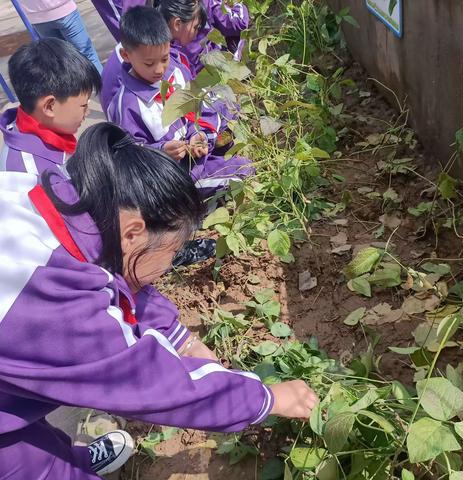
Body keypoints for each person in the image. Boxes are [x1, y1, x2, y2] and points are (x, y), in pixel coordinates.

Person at [0, 122, 319, 479]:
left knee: (26, 432)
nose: (170, 263)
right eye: (173, 250)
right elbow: (154, 385)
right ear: (134, 231)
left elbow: (119, 274)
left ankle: (65, 459)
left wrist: (183, 338)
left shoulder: (57, 193)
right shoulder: (54, 306)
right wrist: (268, 398)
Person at [106, 6, 251, 196]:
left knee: (224, 100)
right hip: (178, 173)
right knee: (243, 170)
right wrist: (162, 151)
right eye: (149, 64)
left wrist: (197, 134)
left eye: (164, 58)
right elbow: (129, 157)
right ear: (126, 55)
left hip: (194, 149)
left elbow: (194, 108)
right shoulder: (126, 106)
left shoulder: (175, 67)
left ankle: (214, 148)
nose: (159, 70)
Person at [0, 38, 101, 175]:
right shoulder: (39, 176)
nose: (87, 112)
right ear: (49, 106)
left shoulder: (36, 128)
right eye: (83, 105)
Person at [17, 0, 103, 73]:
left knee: (62, 61)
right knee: (86, 54)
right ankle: (105, 89)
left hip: (36, 16)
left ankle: (79, 89)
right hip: (63, 9)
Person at [173, 0, 249, 75]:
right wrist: (237, 4)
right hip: (200, 68)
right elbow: (241, 23)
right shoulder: (208, 3)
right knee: (239, 34)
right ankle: (231, 73)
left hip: (178, 65)